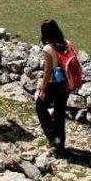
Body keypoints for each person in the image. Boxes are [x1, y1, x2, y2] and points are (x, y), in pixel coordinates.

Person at [36, 19, 71, 154]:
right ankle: (60, 143)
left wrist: (42, 89)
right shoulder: (67, 44)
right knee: (59, 113)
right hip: (65, 84)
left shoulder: (48, 49)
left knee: (40, 107)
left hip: (52, 84)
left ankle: (53, 137)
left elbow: (48, 71)